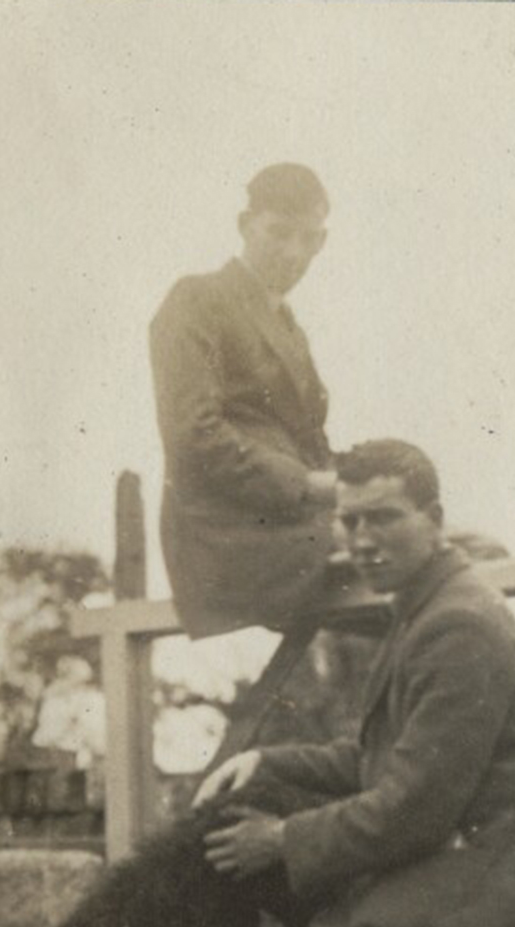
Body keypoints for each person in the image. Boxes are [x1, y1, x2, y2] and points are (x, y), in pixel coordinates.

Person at [194, 439, 515, 927]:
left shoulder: (458, 626)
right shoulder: (426, 610)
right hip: (458, 898)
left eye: (384, 518)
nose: (363, 540)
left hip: (475, 922)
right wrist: (267, 759)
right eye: (350, 521)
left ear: (433, 521)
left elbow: (415, 807)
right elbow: (383, 760)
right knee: (254, 820)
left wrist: (281, 839)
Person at [149, 163, 338, 639]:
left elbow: (312, 444)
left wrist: (366, 484)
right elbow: (193, 436)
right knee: (409, 553)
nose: (293, 253)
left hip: (291, 524)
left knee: (415, 501)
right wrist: (312, 486)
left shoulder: (288, 326)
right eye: (278, 233)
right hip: (225, 540)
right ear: (244, 225)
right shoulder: (198, 299)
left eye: (308, 239)